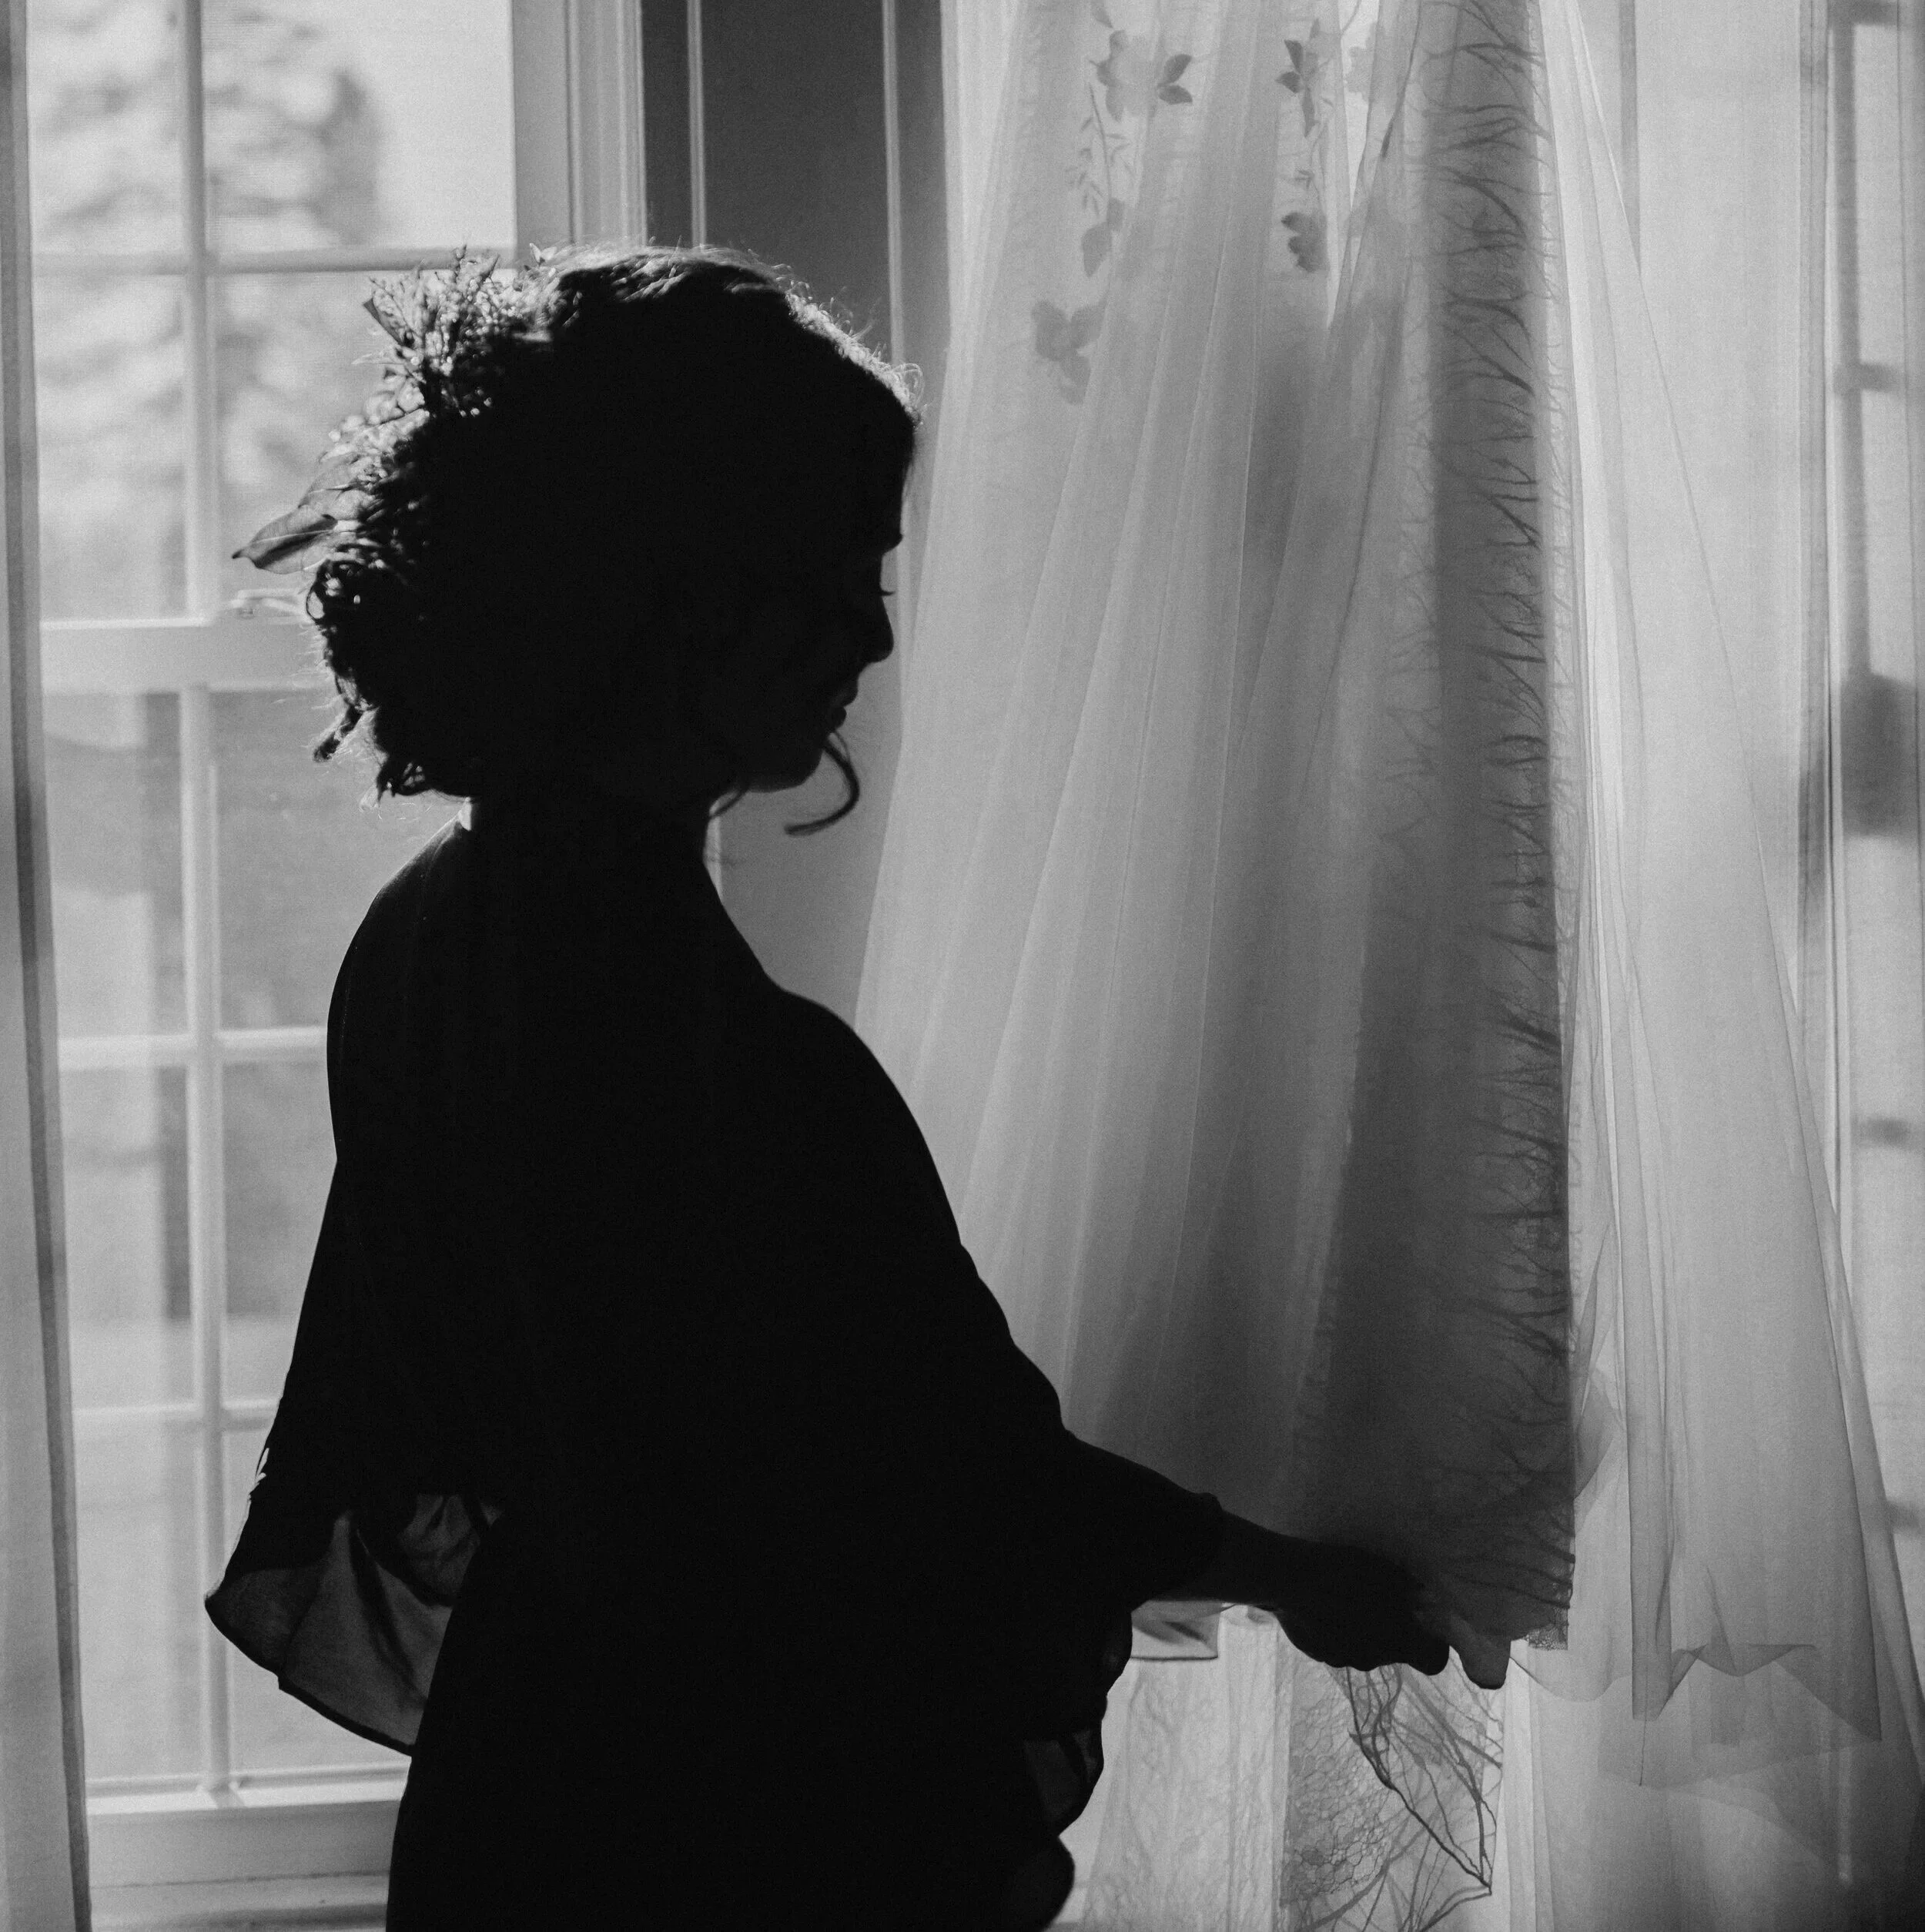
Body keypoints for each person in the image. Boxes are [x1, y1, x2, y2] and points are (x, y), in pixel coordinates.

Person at [206, 244, 1449, 1932]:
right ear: (666, 589)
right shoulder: (689, 1043)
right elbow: (940, 1467)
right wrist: (1294, 1573)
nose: (869, 628)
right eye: (829, 568)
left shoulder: (433, 924)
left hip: (543, 1784)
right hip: (733, 1832)